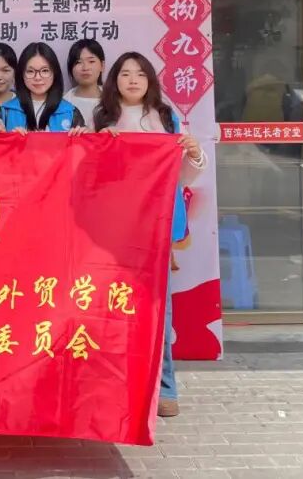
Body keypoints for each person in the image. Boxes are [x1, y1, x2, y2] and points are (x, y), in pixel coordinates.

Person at [93, 52, 205, 419]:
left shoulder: (166, 117)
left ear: (150, 81)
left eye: (140, 74)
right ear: (114, 81)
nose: (132, 80)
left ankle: (165, 387)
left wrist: (195, 154)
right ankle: (116, 387)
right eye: (125, 74)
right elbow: (91, 176)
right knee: (112, 309)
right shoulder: (102, 118)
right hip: (114, 229)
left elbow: (181, 176)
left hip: (156, 226)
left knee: (159, 309)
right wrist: (100, 145)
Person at [0, 42, 86, 135]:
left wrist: (84, 136)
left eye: (45, 71)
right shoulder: (6, 111)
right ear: (21, 74)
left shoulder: (70, 112)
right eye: (30, 71)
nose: (37, 77)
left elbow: (82, 144)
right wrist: (2, 136)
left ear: (55, 73)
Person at [63, 39, 105, 128]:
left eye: (91, 61)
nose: (85, 68)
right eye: (78, 62)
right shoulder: (63, 104)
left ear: (102, 66)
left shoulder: (114, 100)